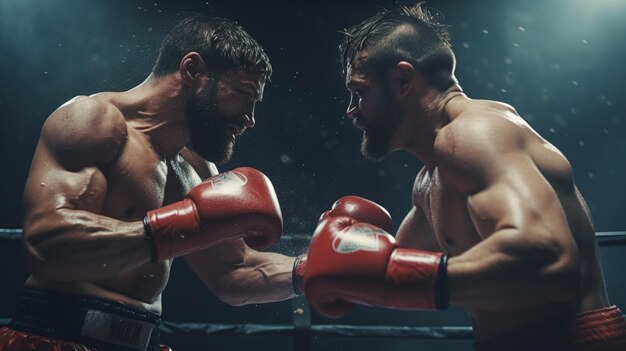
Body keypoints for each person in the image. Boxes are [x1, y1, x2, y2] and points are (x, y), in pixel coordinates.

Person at [303, 4, 626, 351]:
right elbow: (381, 267)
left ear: (402, 79)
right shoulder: (430, 180)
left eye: (359, 92)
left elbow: (549, 259)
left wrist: (397, 278)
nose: (352, 109)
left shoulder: (474, 133)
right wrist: (325, 265)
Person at [0, 15, 303, 351]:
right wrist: (185, 224)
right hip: (54, 339)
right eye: (242, 93)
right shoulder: (93, 121)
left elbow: (233, 272)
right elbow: (48, 247)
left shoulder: (197, 168)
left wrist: (313, 270)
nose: (250, 119)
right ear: (192, 70)